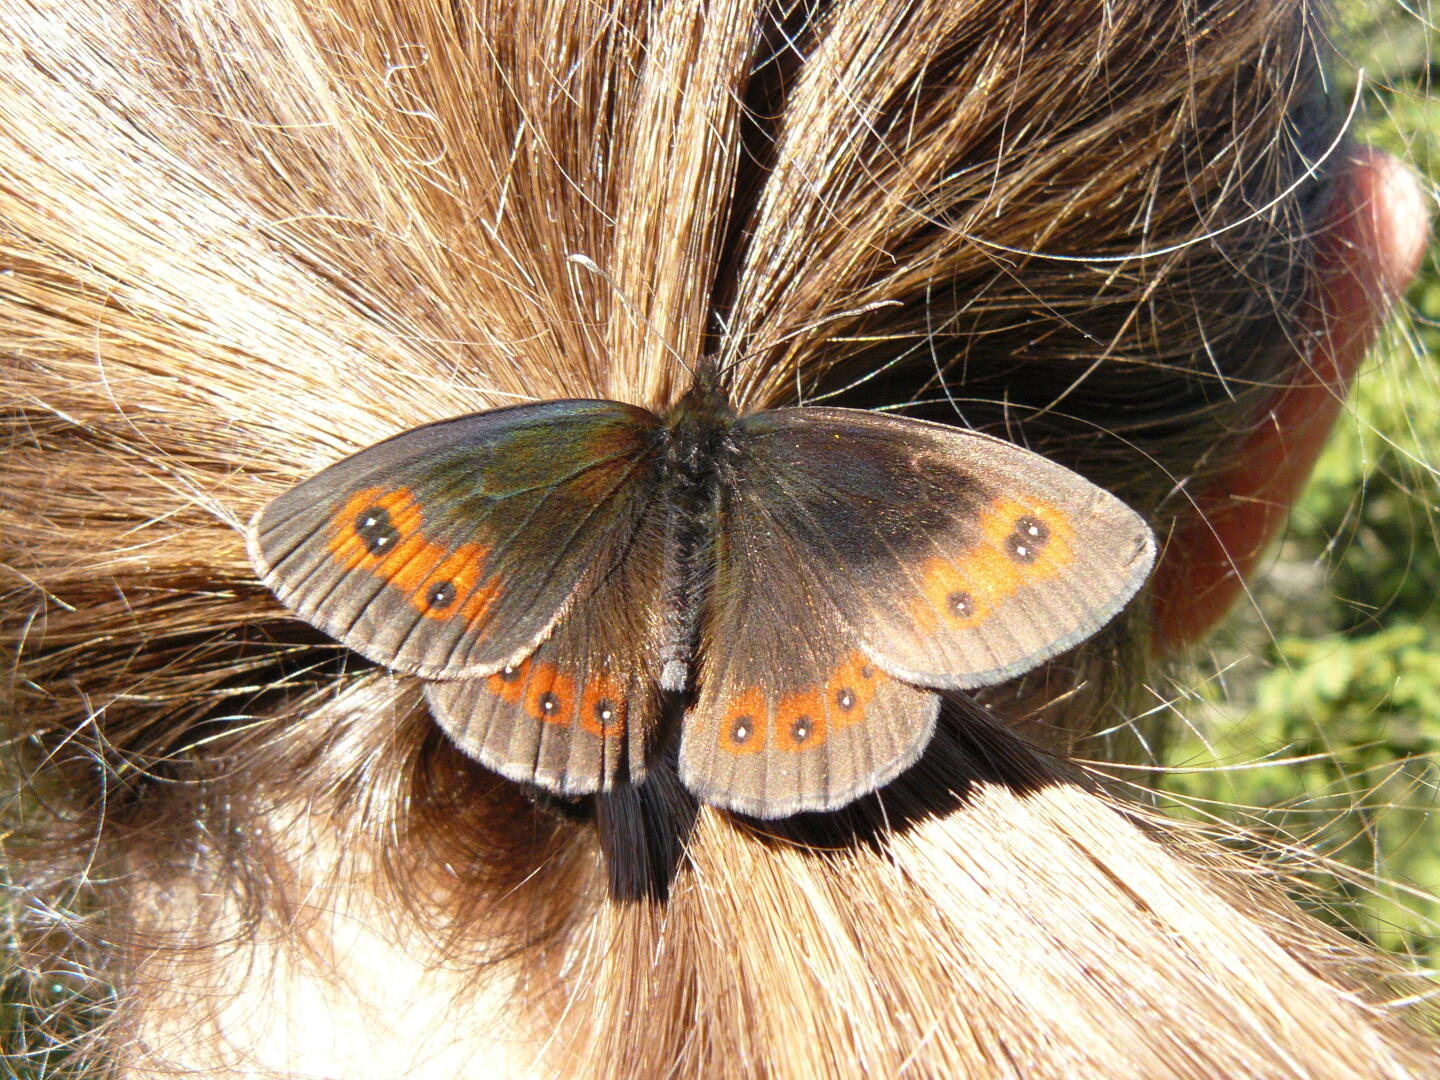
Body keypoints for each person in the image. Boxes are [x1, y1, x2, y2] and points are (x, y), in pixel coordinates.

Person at [0, 0, 1432, 1076]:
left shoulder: (495, 474)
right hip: (804, 664)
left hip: (555, 661)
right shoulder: (896, 477)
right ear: (1294, 402)